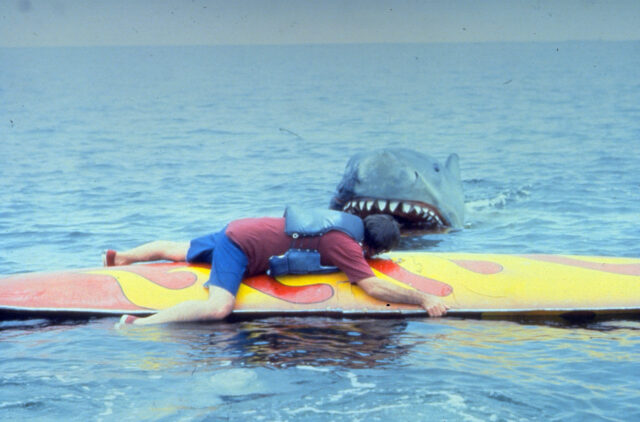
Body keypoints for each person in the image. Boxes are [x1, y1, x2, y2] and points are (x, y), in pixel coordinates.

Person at [107, 208, 448, 327]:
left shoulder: (344, 224)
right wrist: (422, 299)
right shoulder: (346, 244)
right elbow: (371, 286)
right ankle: (140, 325)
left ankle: (123, 257)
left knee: (181, 251)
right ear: (373, 247)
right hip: (242, 246)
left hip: (246, 228)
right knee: (219, 309)